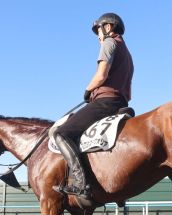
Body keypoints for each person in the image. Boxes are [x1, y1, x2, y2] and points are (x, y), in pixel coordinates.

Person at [53, 13, 134, 200]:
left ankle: (81, 184)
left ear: (108, 27)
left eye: (98, 30)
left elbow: (101, 75)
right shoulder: (126, 52)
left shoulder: (109, 43)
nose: (98, 36)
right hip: (120, 102)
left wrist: (88, 90)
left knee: (61, 133)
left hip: (106, 101)